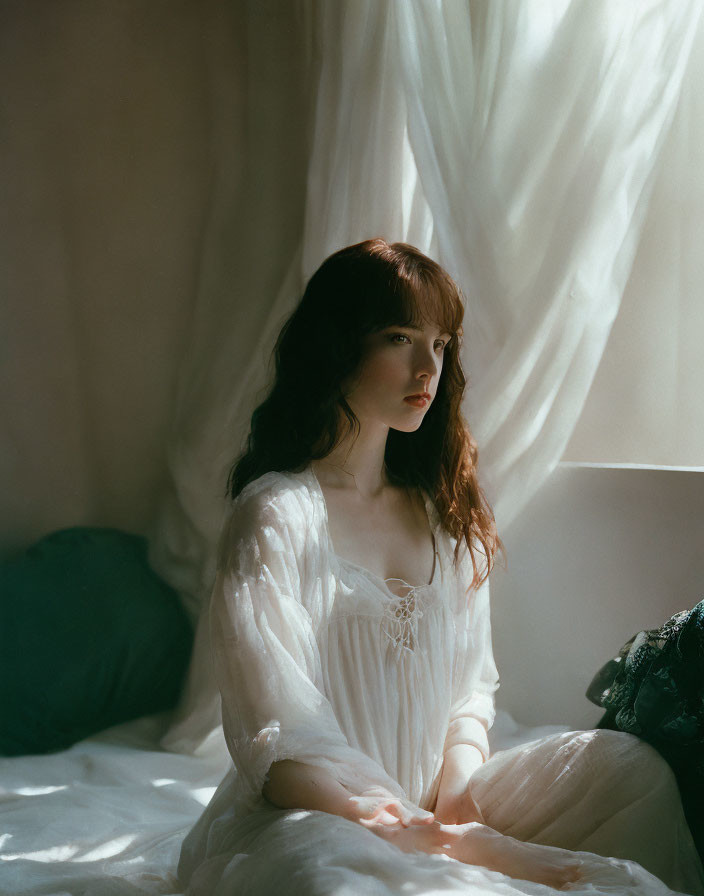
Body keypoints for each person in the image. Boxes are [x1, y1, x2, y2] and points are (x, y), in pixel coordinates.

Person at [178, 239, 704, 895]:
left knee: (628, 769)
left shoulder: (442, 514)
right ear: (339, 345)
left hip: (434, 797)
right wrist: (406, 829)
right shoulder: (275, 515)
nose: (428, 365)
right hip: (320, 811)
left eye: (442, 341)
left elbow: (468, 697)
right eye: (400, 337)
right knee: (329, 875)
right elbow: (275, 747)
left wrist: (459, 807)